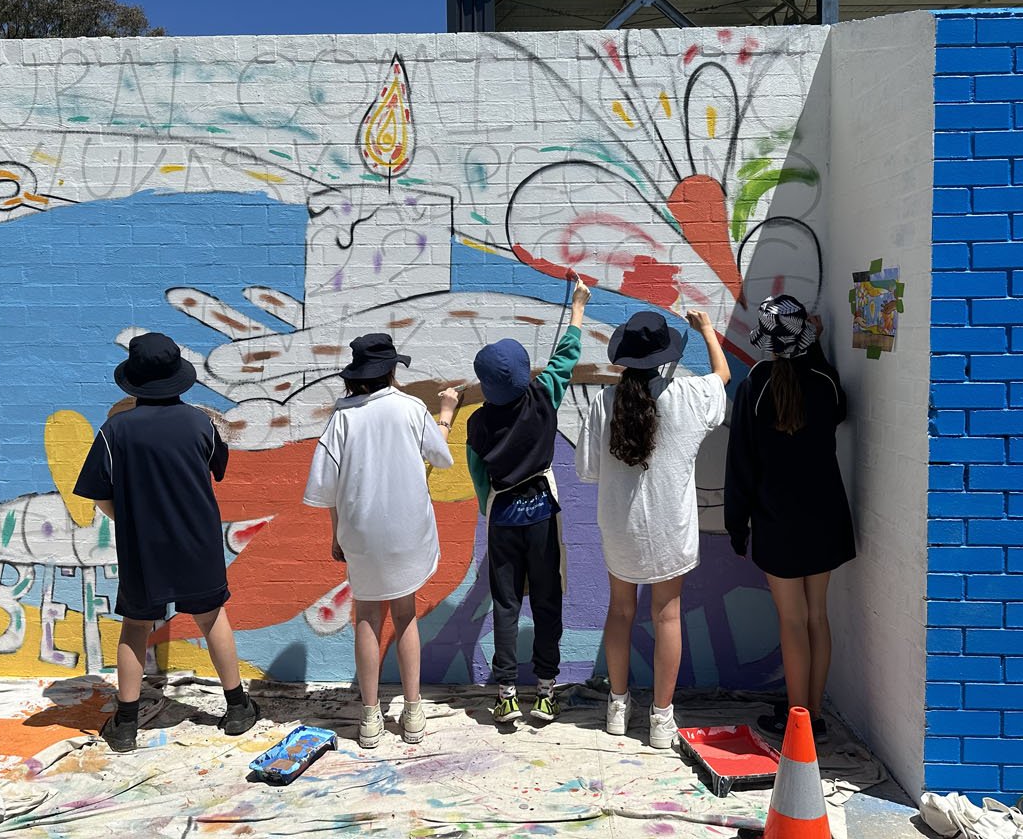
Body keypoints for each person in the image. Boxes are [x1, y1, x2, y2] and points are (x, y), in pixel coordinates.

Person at [74, 332, 258, 753]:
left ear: (133, 381)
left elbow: (99, 493)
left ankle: (125, 723)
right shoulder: (201, 424)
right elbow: (217, 469)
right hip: (198, 541)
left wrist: (131, 519)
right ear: (179, 376)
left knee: (136, 625)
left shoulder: (114, 431)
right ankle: (236, 707)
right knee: (212, 617)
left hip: (143, 546)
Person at [577, 309, 730, 748]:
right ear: (665, 358)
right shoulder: (690, 395)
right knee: (667, 615)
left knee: (620, 611)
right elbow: (722, 374)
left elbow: (588, 471)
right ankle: (662, 719)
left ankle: (617, 707)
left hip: (620, 527)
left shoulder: (603, 403)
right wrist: (705, 330)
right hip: (670, 527)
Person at [303, 334, 459, 747]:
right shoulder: (411, 408)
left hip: (361, 533)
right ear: (392, 370)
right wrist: (445, 413)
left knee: (367, 618)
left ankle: (369, 717)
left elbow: (326, 487)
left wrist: (336, 533)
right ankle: (411, 712)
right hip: (407, 530)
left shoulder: (341, 418)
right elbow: (441, 457)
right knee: (405, 614)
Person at [724, 295, 854, 743]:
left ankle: (798, 719)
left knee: (791, 621)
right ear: (804, 336)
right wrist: (815, 344)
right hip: (825, 516)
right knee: (818, 616)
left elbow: (740, 461)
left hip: (776, 520)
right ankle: (813, 713)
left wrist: (736, 525)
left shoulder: (754, 385)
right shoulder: (825, 382)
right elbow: (838, 410)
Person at [466, 278, 593, 724]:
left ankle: (504, 693)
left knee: (505, 603)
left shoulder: (478, 423)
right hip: (542, 512)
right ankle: (544, 691)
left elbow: (478, 475)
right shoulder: (542, 398)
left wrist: (489, 506)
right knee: (546, 600)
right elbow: (566, 357)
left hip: (502, 517)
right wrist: (577, 306)